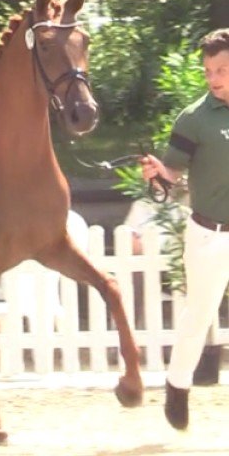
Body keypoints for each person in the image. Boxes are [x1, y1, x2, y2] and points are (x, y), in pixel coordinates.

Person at [140, 28, 229, 431]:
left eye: (223, 69)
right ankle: (178, 386)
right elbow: (171, 172)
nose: (215, 78)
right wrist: (159, 175)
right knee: (200, 314)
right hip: (209, 233)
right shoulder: (194, 118)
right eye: (210, 70)